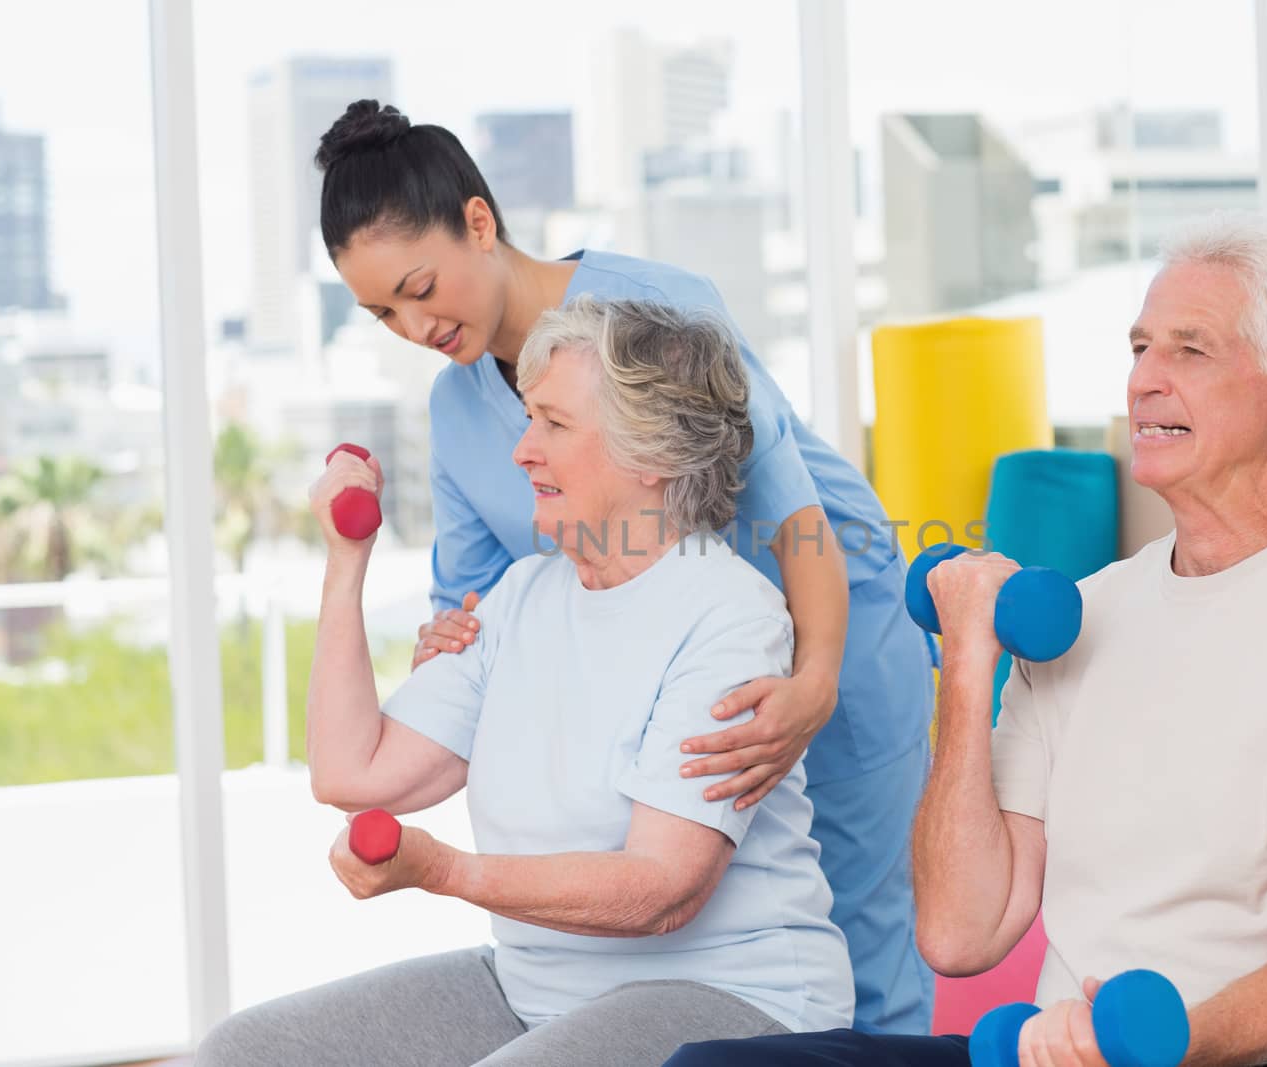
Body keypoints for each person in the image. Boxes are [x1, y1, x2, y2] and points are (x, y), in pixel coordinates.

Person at [668, 213, 1267, 1067]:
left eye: (1190, 351)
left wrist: (1138, 1047)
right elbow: (959, 933)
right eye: (1140, 349)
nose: (1144, 381)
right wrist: (968, 660)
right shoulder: (1089, 614)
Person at [311, 99, 932, 1035]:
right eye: (381, 311)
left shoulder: (656, 312)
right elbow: (471, 607)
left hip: (821, 599)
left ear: (479, 222)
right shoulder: (456, 408)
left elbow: (798, 519)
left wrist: (814, 679)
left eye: (420, 285)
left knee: (862, 939)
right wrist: (447, 639)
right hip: (669, 649)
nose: (412, 322)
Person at [195, 297, 854, 1067]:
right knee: (242, 1052)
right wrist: (348, 563)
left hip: (733, 995)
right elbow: (352, 771)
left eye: (553, 424)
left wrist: (445, 871)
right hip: (534, 990)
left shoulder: (727, 615)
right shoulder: (521, 597)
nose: (521, 451)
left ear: (650, 453)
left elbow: (664, 887)